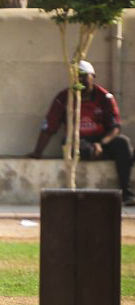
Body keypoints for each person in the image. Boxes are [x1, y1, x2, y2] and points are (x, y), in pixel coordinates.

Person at [30, 59, 135, 204]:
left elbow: (115, 127)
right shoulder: (63, 98)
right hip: (77, 141)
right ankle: (100, 154)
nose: (80, 80)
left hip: (102, 140)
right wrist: (37, 152)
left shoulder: (105, 97)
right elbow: (49, 127)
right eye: (76, 77)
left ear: (93, 77)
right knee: (69, 145)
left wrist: (101, 144)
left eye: (83, 76)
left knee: (123, 143)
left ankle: (127, 194)